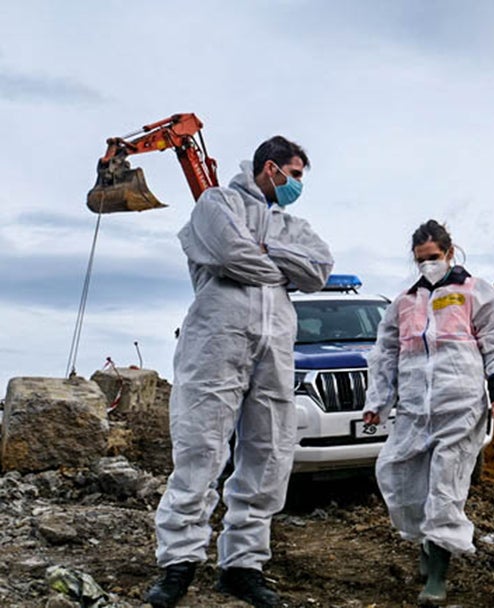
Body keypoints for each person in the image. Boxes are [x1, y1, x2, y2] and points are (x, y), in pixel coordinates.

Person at [145, 136, 334, 608]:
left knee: (268, 453)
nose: (297, 185)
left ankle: (243, 566)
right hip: (217, 341)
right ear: (271, 168)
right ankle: (178, 564)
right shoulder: (217, 203)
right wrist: (281, 268)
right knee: (200, 448)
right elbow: (230, 254)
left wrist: (268, 250)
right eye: (294, 175)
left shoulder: (292, 224)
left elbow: (320, 270)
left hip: (275, 349)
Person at [362, 220, 494, 604]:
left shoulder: (476, 293)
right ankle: (427, 542)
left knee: (445, 489)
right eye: (421, 260)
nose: (428, 265)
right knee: (400, 478)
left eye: (433, 257)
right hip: (415, 409)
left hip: (460, 406)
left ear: (450, 252)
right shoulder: (404, 303)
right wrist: (377, 402)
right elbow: (385, 355)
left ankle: (437, 574)